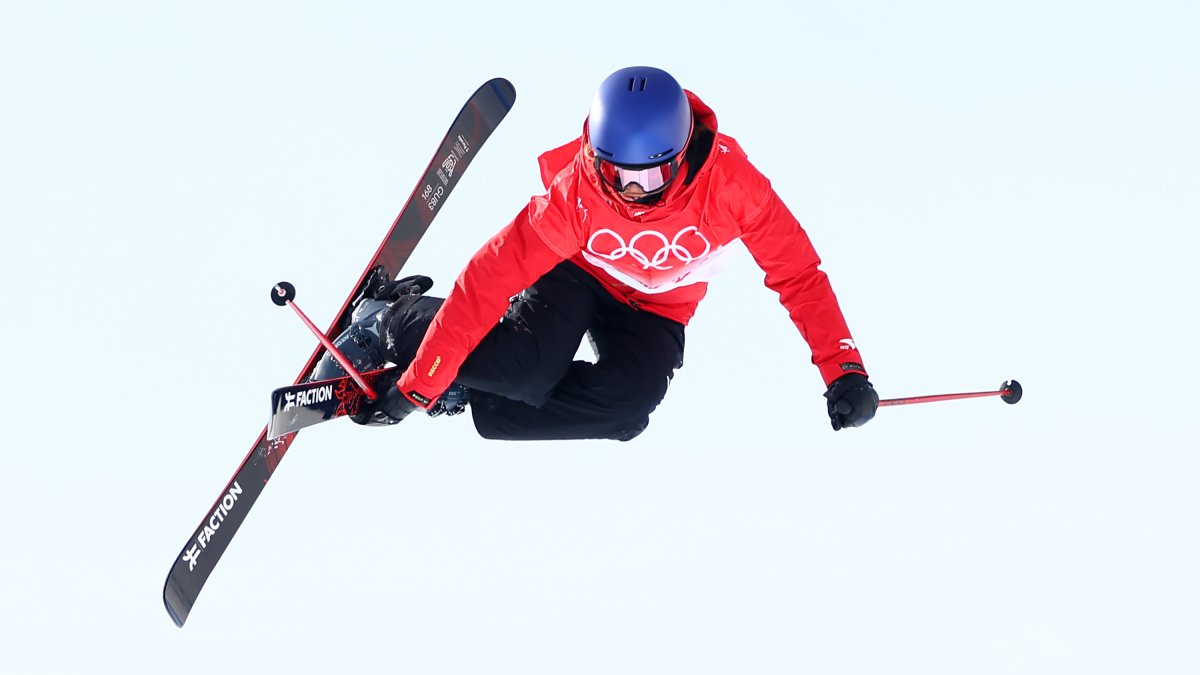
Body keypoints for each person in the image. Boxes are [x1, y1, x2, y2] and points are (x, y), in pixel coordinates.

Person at [326, 65, 878, 440]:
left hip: (656, 305)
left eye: (653, 173)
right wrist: (417, 385)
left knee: (627, 406)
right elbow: (487, 279)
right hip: (578, 275)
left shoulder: (734, 188)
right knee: (525, 369)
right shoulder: (580, 194)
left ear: (681, 154)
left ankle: (473, 389)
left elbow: (799, 274)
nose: (633, 189)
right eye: (619, 171)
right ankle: (391, 320)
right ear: (598, 152)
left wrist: (844, 371)